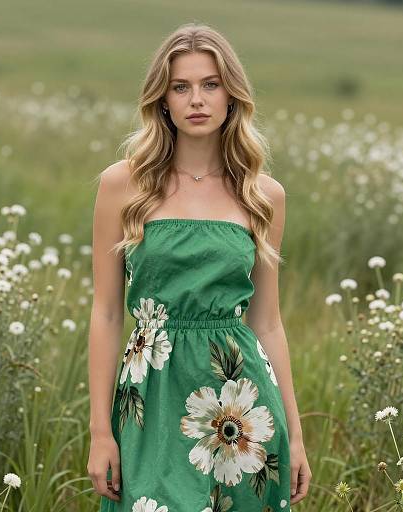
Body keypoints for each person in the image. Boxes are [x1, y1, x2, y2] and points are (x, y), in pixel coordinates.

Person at [87, 22, 311, 512]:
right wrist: (100, 431)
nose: (197, 100)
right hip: (151, 395)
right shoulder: (122, 185)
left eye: (210, 84)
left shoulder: (263, 195)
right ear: (161, 98)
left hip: (241, 402)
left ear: (232, 95)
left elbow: (268, 321)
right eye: (181, 86)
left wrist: (294, 435)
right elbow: (106, 314)